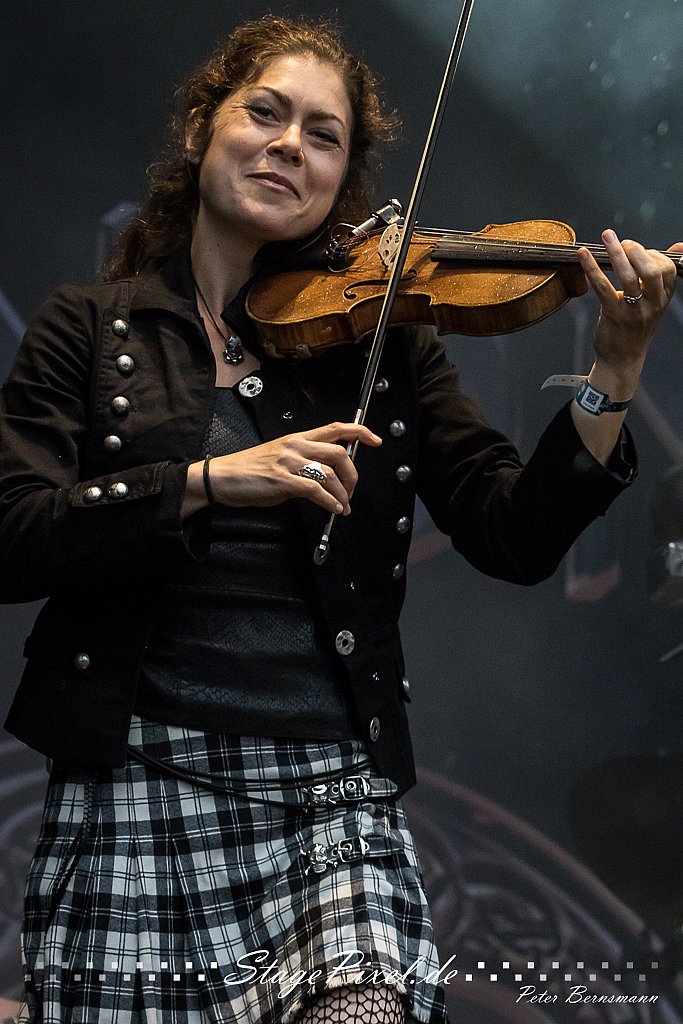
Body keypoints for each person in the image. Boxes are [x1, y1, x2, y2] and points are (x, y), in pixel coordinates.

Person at [0, 13, 679, 1024]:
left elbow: (514, 534)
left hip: (330, 792)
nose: (289, 146)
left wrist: (612, 370)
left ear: (339, 180)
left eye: (322, 136)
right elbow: (15, 535)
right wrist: (206, 480)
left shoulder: (385, 344)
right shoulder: (89, 330)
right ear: (199, 128)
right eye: (264, 114)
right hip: (132, 770)